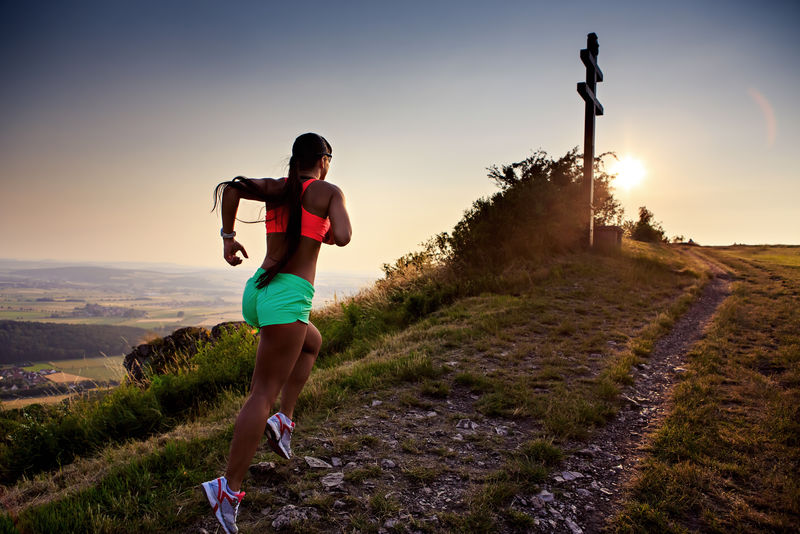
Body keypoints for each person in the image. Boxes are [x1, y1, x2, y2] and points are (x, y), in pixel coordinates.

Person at [201, 133, 351, 534]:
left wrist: (228, 237)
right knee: (260, 394)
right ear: (324, 159)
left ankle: (284, 420)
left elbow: (230, 188)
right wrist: (326, 228)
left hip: (259, 289)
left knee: (311, 343)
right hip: (288, 297)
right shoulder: (328, 191)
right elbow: (344, 236)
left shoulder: (279, 189)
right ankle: (226, 489)